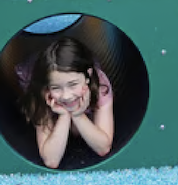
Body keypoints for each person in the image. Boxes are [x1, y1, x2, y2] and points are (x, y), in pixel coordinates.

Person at [20, 37, 114, 169]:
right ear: (48, 86)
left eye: (73, 84)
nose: (66, 96)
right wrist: (64, 116)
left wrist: (77, 115)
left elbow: (103, 148)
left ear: (88, 75)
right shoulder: (42, 92)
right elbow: (51, 161)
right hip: (33, 70)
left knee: (76, 130)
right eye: (56, 88)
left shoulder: (100, 86)